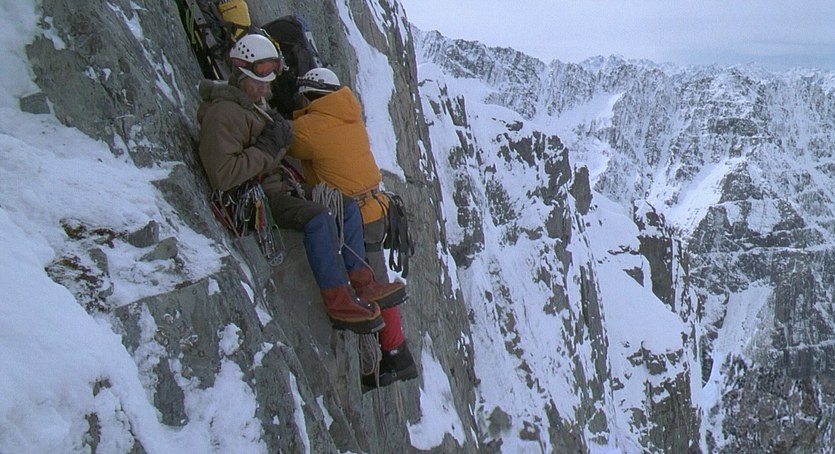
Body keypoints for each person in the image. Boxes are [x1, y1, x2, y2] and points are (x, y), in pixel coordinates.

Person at [196, 33, 405, 336]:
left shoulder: (252, 106)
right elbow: (224, 175)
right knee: (319, 218)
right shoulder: (223, 114)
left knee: (344, 205)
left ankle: (363, 284)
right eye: (259, 81)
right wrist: (268, 147)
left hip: (274, 185)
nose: (265, 88)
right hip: (252, 196)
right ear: (240, 74)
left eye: (268, 80)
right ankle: (338, 301)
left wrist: (274, 143)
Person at [286, 67, 418, 391]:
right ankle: (395, 353)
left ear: (309, 97)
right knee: (376, 280)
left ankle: (396, 354)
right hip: (375, 208)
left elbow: (290, 141)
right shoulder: (348, 114)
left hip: (357, 215)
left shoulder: (312, 127)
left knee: (376, 286)